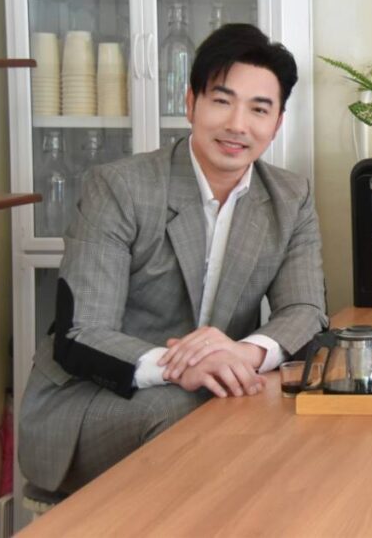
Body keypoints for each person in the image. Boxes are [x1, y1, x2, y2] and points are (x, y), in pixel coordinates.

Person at [19, 24, 328, 493]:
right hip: (90, 400)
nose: (237, 125)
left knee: (278, 410)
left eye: (258, 109)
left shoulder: (290, 197)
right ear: (190, 103)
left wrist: (242, 353)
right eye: (221, 101)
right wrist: (180, 366)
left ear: (277, 123)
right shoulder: (120, 187)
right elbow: (82, 332)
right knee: (199, 414)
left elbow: (305, 310)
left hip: (213, 392)